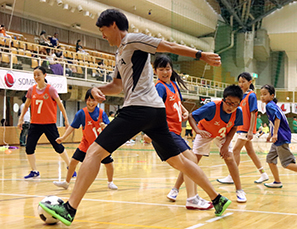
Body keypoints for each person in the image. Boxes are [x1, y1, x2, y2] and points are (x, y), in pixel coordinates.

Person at [39, 9, 231, 226]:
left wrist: (201, 55)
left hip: (139, 108)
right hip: (153, 112)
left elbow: (168, 46)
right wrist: (97, 88)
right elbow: (117, 86)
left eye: (103, 31)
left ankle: (70, 208)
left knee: (94, 152)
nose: (103, 35)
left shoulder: (132, 39)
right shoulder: (120, 53)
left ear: (113, 25)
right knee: (178, 161)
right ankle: (217, 198)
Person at [152, 54, 212, 210]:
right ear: (155, 71)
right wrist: (150, 130)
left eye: (167, 68)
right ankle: (192, 198)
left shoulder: (173, 85)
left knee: (189, 162)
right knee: (191, 159)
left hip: (175, 132)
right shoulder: (159, 87)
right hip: (166, 131)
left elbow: (177, 102)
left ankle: (188, 195)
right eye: (161, 69)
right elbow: (155, 109)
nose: (165, 72)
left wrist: (184, 111)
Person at [186, 84, 247, 203]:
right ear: (223, 99)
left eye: (235, 104)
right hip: (206, 132)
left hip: (223, 134)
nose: (231, 107)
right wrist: (197, 130)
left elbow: (234, 127)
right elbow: (191, 116)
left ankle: (239, 190)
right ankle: (175, 189)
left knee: (229, 158)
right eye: (229, 102)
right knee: (192, 162)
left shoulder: (238, 112)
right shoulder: (211, 107)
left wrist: (225, 145)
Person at [53, 89, 118, 190]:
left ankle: (110, 182)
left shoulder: (101, 113)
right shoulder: (81, 113)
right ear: (85, 100)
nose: (91, 103)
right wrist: (63, 137)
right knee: (73, 162)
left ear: (97, 101)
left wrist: (104, 126)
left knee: (109, 164)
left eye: (93, 100)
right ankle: (66, 182)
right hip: (86, 144)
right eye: (88, 100)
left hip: (100, 145)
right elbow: (72, 126)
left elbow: (109, 128)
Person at [18, 66, 74, 179]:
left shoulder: (51, 90)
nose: (36, 77)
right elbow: (27, 105)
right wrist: (21, 118)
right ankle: (34, 171)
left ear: (44, 75)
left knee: (58, 146)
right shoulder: (31, 90)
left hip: (49, 124)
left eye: (39, 74)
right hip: (35, 124)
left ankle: (70, 168)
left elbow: (60, 105)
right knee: (29, 147)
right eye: (35, 75)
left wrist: (66, 120)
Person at [260, 84, 297, 189]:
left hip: (280, 136)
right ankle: (277, 181)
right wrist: (270, 134)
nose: (262, 96)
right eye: (261, 94)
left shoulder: (269, 106)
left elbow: (277, 119)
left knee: (286, 163)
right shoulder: (272, 105)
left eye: (265, 94)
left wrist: (275, 134)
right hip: (280, 135)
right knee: (270, 159)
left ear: (272, 95)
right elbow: (272, 122)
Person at [217, 72, 269, 184]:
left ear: (250, 82)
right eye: (239, 81)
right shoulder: (240, 96)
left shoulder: (251, 95)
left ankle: (232, 176)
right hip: (241, 127)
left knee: (235, 150)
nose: (241, 84)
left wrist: (251, 130)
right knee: (250, 152)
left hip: (247, 129)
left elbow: (254, 113)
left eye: (243, 81)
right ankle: (263, 174)